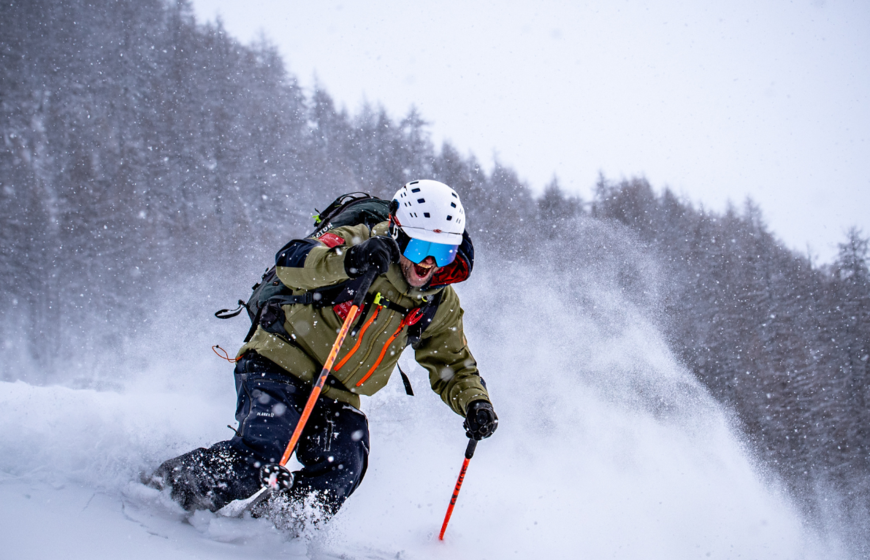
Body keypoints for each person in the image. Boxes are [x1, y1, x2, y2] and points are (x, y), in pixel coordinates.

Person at [149, 180, 498, 525]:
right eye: (420, 248)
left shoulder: (438, 300)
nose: (429, 265)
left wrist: (474, 402)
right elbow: (292, 262)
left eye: (444, 253)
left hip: (337, 394)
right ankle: (165, 490)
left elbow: (452, 362)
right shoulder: (358, 242)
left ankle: (266, 530)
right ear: (397, 231)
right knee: (262, 453)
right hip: (280, 361)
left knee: (345, 464)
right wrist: (350, 261)